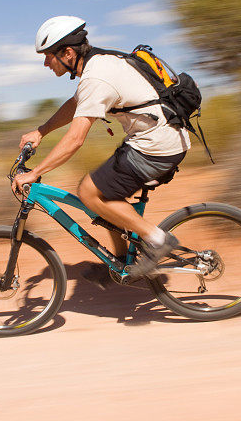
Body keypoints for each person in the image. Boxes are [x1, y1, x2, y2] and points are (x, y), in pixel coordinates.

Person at [12, 15, 190, 284]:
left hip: (157, 146)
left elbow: (75, 140)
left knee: (88, 191)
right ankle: (119, 263)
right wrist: (40, 131)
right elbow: (75, 104)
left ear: (68, 53)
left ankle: (157, 239)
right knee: (101, 192)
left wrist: (34, 172)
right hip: (153, 140)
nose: (45, 63)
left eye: (48, 56)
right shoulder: (97, 65)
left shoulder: (97, 77)